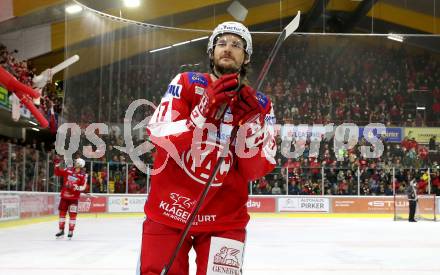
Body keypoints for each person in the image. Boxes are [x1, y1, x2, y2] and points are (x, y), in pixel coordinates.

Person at [140, 21, 276, 274]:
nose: (228, 48)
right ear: (211, 51)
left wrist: (251, 128)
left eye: (237, 45)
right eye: (221, 43)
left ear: (246, 57)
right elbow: (158, 133)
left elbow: (255, 170)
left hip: (225, 220)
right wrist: (203, 110)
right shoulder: (186, 82)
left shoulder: (260, 104)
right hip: (168, 211)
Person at [54, 157, 88, 239]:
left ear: (80, 165)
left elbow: (84, 187)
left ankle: (71, 231)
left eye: (77, 162)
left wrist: (77, 188)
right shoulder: (68, 170)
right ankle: (61, 230)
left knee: (72, 215)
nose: (75, 162)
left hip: (73, 199)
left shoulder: (83, 175)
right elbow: (57, 173)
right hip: (64, 197)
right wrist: (57, 165)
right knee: (62, 214)